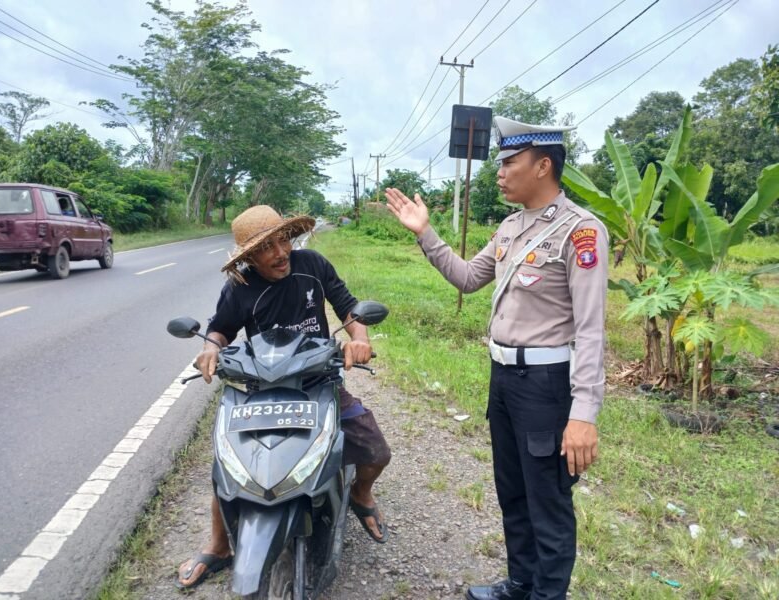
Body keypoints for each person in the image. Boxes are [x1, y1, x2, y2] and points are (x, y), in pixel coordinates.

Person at [385, 117, 608, 600]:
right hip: (503, 380)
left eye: (509, 163)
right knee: (513, 493)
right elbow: (467, 278)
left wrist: (584, 414)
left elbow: (591, 331)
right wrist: (425, 233)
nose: (499, 173)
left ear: (543, 165)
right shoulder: (510, 227)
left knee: (547, 502)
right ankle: (521, 583)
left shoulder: (581, 232)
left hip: (546, 384)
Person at [175, 205, 392, 590]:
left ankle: (360, 493)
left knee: (375, 450)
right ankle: (219, 545)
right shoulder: (240, 288)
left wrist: (360, 338)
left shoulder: (313, 265)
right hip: (261, 389)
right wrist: (211, 349)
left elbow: (347, 305)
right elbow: (220, 329)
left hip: (319, 381)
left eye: (284, 240)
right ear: (249, 258)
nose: (281, 253)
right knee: (230, 470)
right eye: (266, 248)